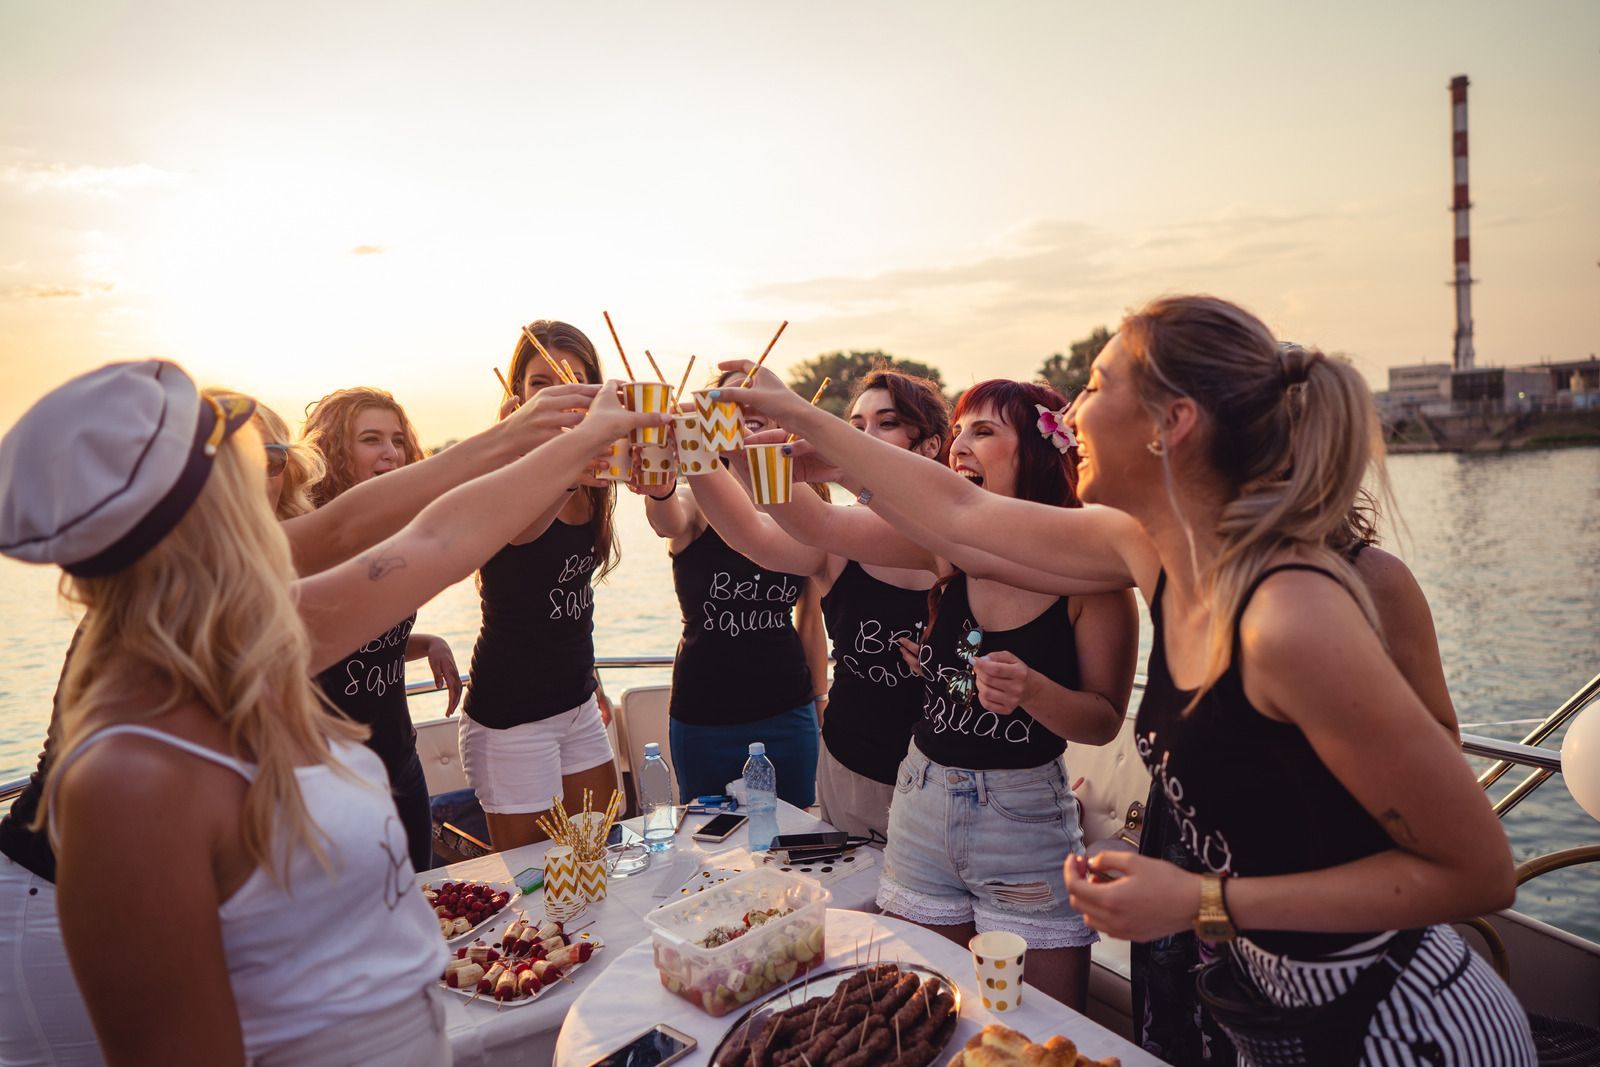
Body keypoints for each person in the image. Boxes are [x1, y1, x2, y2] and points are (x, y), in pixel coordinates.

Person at [715, 295, 1534, 1064]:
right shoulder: (1146, 552)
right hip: (1279, 1010)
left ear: (1170, 425)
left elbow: (1479, 872)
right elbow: (956, 514)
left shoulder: (1289, 614)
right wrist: (795, 421)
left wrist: (1201, 901)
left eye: (1099, 384)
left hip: (1398, 1024)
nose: (1068, 414)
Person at [0, 359, 660, 1065]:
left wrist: (532, 433)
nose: (278, 471)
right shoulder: (161, 723)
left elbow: (376, 529)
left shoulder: (213, 610)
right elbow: (426, 543)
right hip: (48, 923)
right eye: (256, 455)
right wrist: (563, 445)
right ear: (207, 508)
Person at [713, 377, 1138, 1012]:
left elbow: (1102, 721)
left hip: (1023, 822)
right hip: (923, 802)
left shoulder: (1095, 575)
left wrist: (1036, 691)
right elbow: (815, 519)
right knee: (926, 1016)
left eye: (985, 431)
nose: (960, 443)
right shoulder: (948, 551)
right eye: (959, 429)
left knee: (1041, 1027)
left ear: (1042, 451)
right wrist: (742, 459)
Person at [1132, 484, 1461, 1064]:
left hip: (1303, 896)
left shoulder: (1372, 580)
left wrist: (1320, 739)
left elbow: (1444, 746)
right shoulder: (1176, 562)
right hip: (1192, 850)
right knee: (1184, 1011)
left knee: (1248, 1018)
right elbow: (969, 521)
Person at [685, 368, 948, 841]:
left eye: (885, 423)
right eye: (857, 426)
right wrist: (699, 448)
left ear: (930, 445)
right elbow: (753, 533)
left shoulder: (961, 539)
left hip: (956, 774)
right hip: (855, 771)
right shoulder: (838, 536)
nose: (863, 437)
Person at [457, 321, 621, 849]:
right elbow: (522, 533)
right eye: (541, 382)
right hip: (512, 717)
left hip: (576, 702)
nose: (562, 392)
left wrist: (591, 680)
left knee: (600, 853)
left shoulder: (597, 476)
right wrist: (570, 470)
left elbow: (572, 601)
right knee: (536, 883)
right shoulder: (504, 468)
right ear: (518, 396)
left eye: (577, 378)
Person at [641, 368, 830, 807]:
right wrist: (661, 488)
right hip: (704, 717)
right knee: (708, 851)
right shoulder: (695, 503)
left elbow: (810, 623)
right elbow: (665, 520)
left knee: (792, 840)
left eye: (758, 410)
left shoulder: (807, 510)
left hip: (788, 711)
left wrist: (818, 703)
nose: (747, 422)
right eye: (735, 411)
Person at [303, 387, 462, 872]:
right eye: (371, 439)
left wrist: (424, 642)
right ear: (331, 450)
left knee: (422, 903)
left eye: (397, 439)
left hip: (400, 760)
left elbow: (362, 632)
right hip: (334, 778)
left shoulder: (393, 536)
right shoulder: (308, 541)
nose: (390, 451)